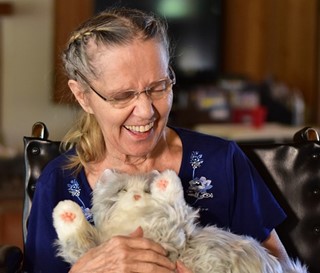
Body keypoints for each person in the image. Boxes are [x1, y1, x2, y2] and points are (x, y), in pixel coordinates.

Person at [24, 7, 291, 273]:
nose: (146, 111)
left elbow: (282, 267)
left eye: (158, 87)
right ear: (83, 96)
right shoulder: (57, 182)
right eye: (122, 95)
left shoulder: (222, 161)